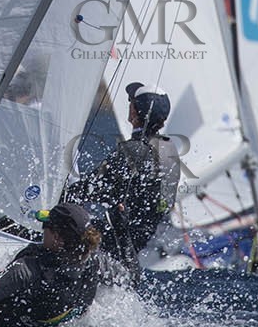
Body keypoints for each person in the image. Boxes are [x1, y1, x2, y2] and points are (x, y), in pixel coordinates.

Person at [63, 82, 179, 268]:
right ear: (163, 120)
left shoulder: (132, 150)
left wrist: (62, 192)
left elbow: (89, 189)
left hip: (114, 242)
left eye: (130, 102)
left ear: (133, 112)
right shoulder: (169, 149)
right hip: (137, 245)